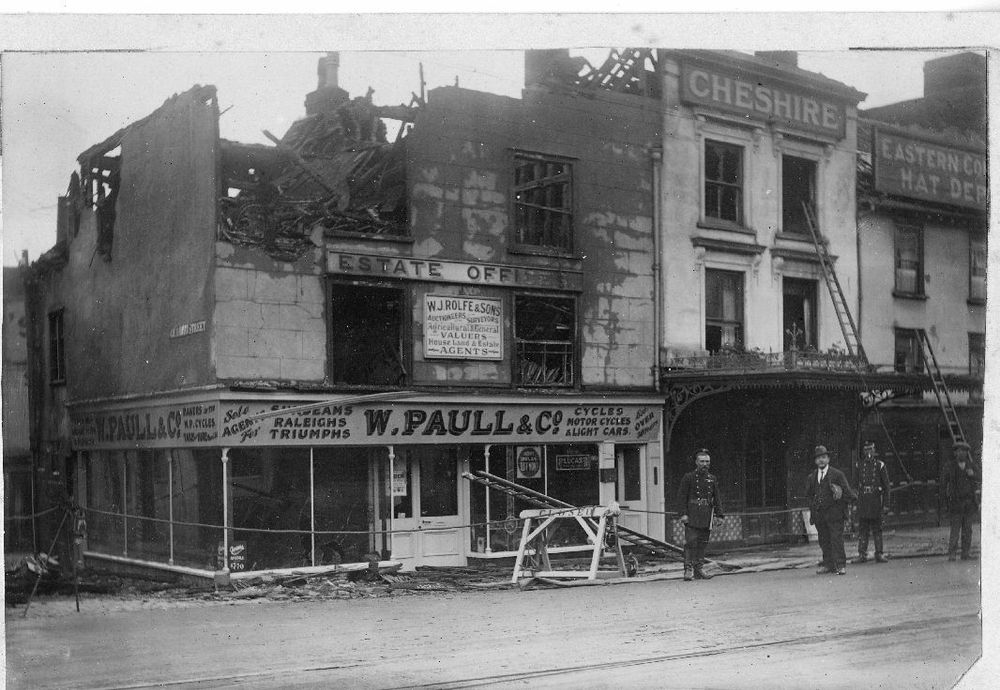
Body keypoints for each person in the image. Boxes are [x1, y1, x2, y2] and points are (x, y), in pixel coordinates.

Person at [805, 445, 857, 575]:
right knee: (824, 540)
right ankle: (828, 565)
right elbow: (809, 495)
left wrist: (840, 500)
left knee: (836, 540)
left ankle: (840, 565)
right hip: (820, 515)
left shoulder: (837, 474)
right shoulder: (812, 477)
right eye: (818, 458)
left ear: (828, 459)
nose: (821, 460)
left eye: (823, 457)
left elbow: (848, 493)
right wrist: (813, 510)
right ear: (815, 461)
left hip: (835, 514)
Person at [677, 448, 725, 581]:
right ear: (696, 462)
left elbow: (717, 498)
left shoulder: (712, 479)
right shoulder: (689, 477)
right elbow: (681, 497)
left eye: (707, 462)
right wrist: (683, 514)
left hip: (706, 515)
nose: (705, 464)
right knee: (691, 543)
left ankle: (699, 569)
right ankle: (688, 569)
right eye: (702, 461)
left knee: (703, 543)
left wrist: (719, 515)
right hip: (692, 515)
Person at [854, 440, 892, 564]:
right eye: (866, 450)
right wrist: (855, 503)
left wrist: (886, 504)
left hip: (876, 501)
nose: (868, 452)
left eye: (870, 449)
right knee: (863, 529)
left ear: (874, 451)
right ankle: (862, 554)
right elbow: (854, 486)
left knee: (877, 529)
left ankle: (879, 554)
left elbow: (886, 486)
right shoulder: (858, 465)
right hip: (864, 501)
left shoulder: (880, 465)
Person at [944, 442, 979, 561]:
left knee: (968, 529)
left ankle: (966, 553)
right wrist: (947, 500)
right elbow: (944, 483)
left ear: (966, 453)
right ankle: (952, 554)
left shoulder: (971, 466)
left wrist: (973, 474)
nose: (961, 453)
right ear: (955, 453)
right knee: (955, 529)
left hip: (969, 503)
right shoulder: (950, 466)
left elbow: (980, 477)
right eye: (958, 451)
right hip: (956, 503)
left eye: (963, 451)